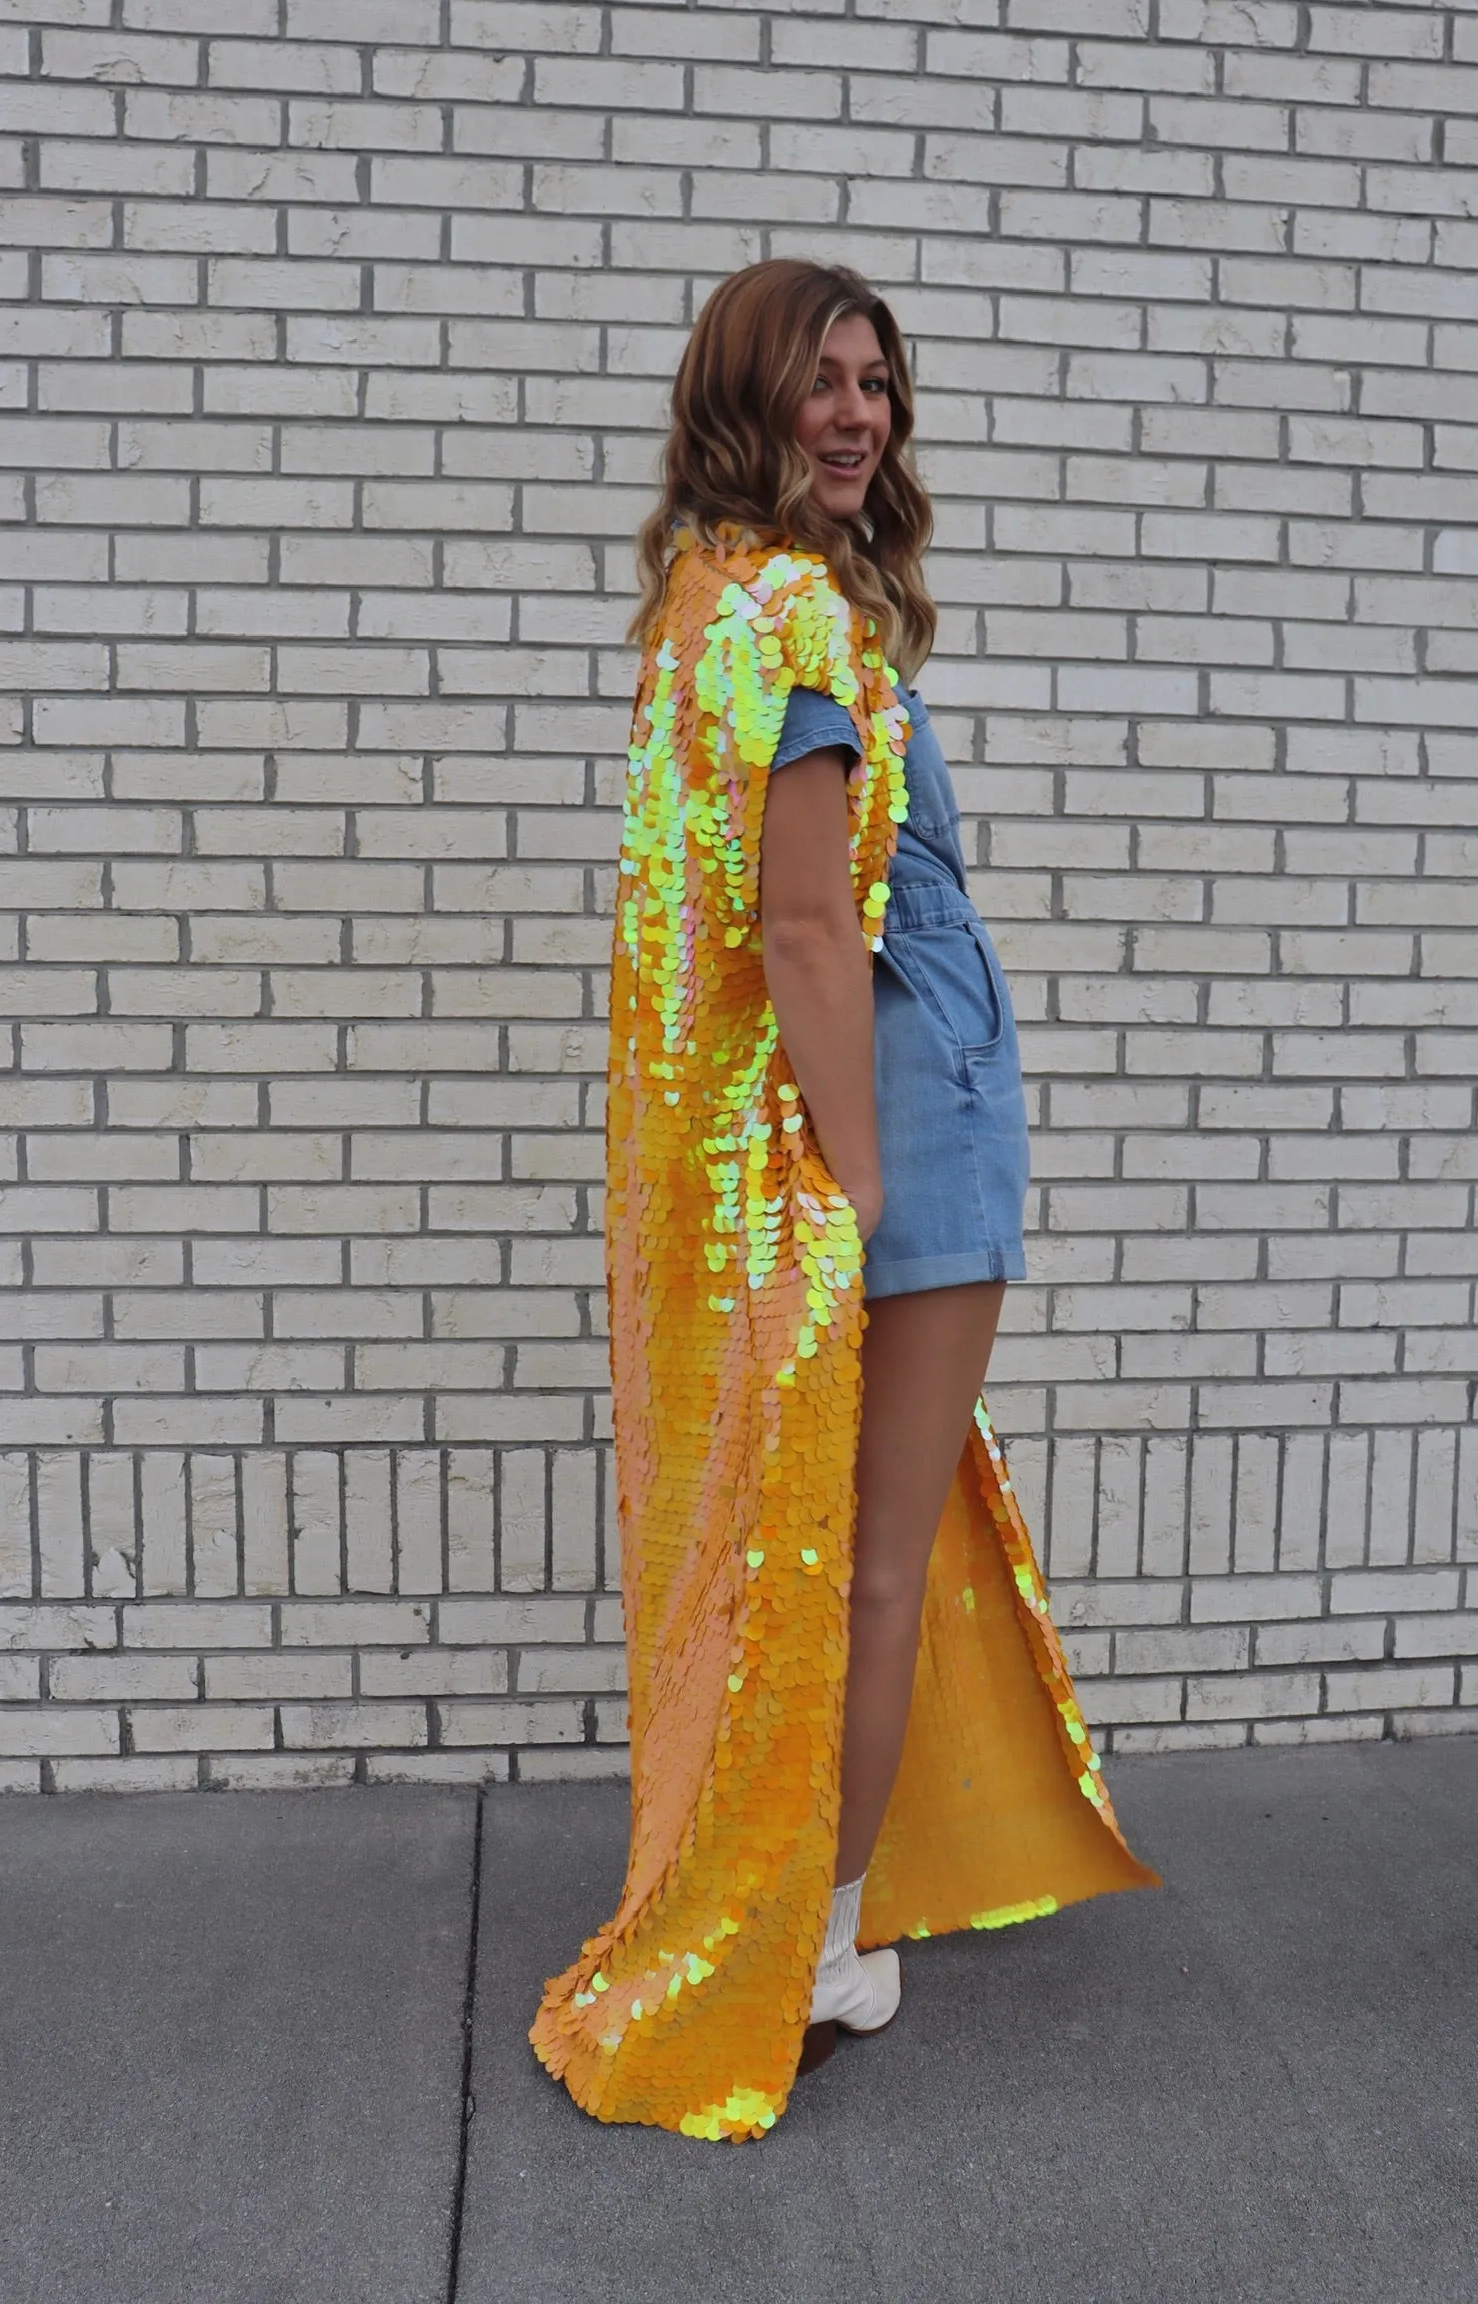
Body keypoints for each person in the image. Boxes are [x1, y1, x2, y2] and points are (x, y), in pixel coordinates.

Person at [530, 258, 1157, 2143]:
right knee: (870, 1562)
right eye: (822, 380)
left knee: (827, 1547)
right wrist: (862, 1178)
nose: (859, 413)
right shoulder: (796, 615)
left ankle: (798, 1911)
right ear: (748, 394)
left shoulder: (702, 601)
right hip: (904, 1118)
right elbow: (805, 923)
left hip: (840, 1118)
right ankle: (811, 1947)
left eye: (878, 383)